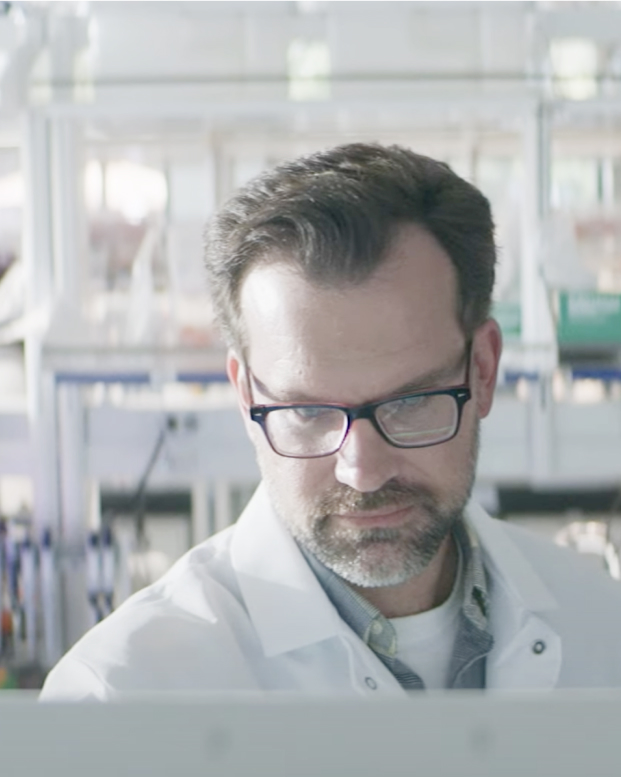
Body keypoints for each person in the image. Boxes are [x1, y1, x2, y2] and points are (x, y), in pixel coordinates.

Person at [41, 143, 621, 700]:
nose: (362, 470)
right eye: (308, 411)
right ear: (245, 395)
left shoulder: (604, 629)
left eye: (409, 403)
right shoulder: (121, 693)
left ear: (484, 371)